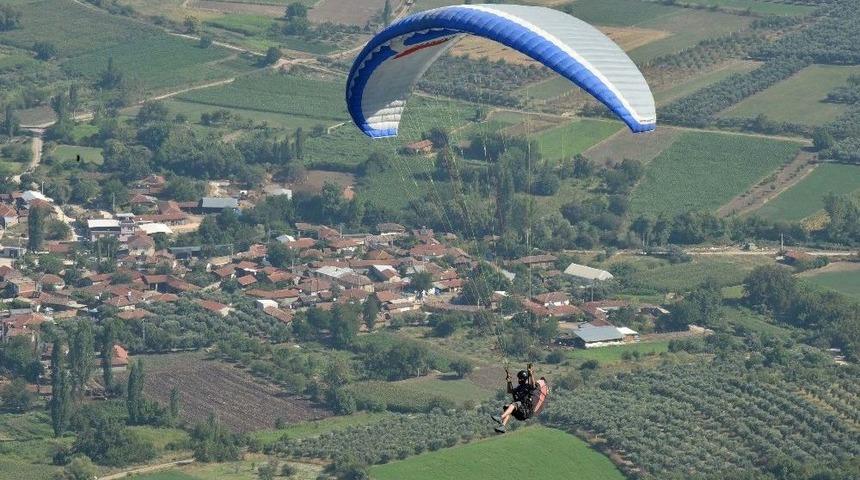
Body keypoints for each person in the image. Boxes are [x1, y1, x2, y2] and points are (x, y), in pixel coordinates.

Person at [491, 363, 542, 433]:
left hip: (525, 410)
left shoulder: (529, 386)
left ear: (523, 379)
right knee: (507, 407)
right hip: (520, 412)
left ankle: (501, 417)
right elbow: (510, 391)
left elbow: (533, 385)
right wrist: (509, 381)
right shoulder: (519, 387)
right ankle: (502, 426)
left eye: (520, 378)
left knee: (513, 404)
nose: (518, 380)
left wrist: (531, 374)